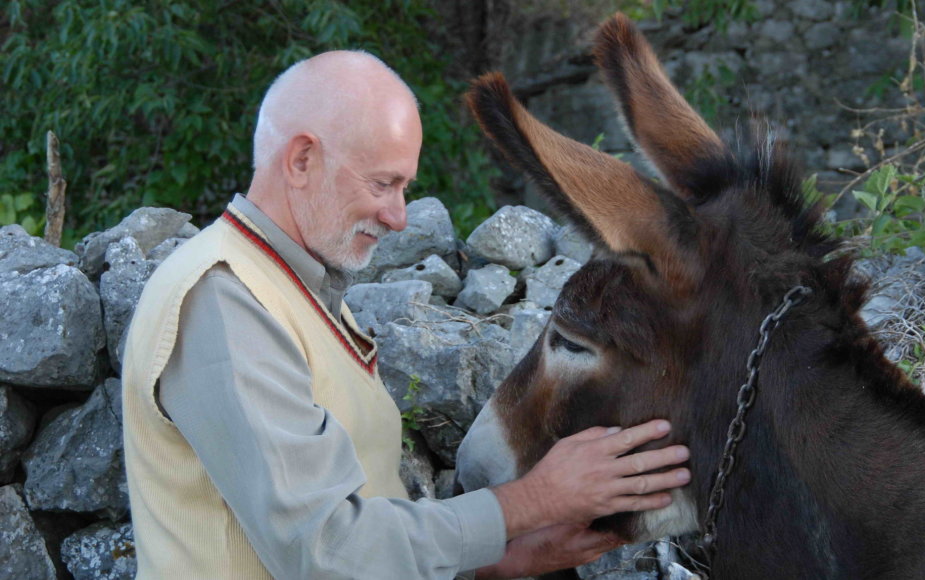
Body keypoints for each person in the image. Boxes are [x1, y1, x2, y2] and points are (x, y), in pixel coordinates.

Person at [121, 50, 692, 579]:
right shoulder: (224, 299)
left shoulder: (291, 286)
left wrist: (499, 564)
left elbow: (362, 532)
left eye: (405, 187)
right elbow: (325, 552)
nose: (399, 216)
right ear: (301, 159)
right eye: (383, 183)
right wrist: (534, 501)